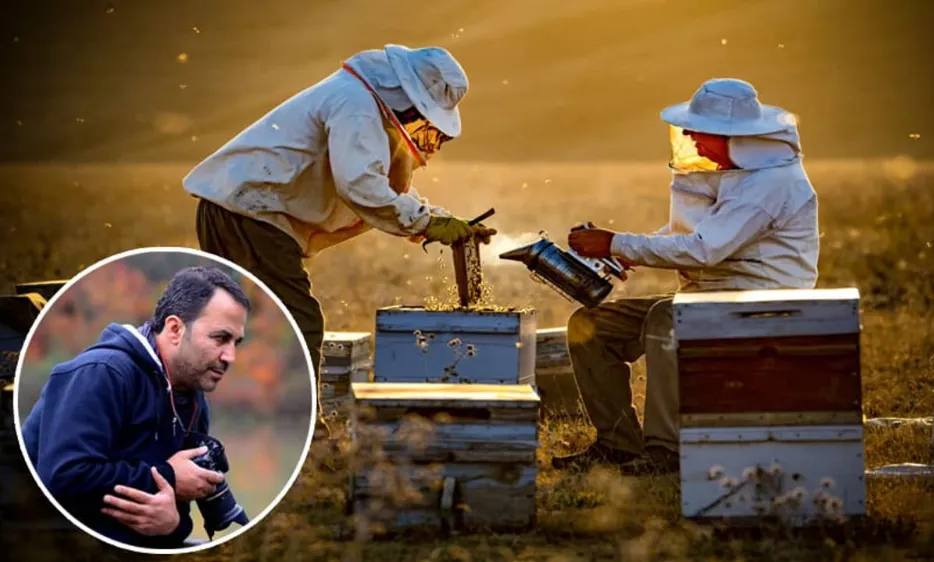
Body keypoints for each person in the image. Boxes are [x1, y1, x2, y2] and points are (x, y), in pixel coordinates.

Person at [552, 78, 821, 475]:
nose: (691, 138)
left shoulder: (772, 184)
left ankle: (667, 452)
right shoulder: (734, 173)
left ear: (734, 137)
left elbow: (703, 249)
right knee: (591, 326)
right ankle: (618, 444)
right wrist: (625, 257)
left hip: (763, 301)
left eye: (700, 132)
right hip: (710, 298)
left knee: (668, 318)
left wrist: (615, 244)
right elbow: (690, 233)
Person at [182, 44, 495, 382]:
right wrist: (428, 222)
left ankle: (247, 412)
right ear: (408, 98)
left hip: (249, 212)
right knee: (295, 321)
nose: (421, 124)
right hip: (249, 214)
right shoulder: (356, 106)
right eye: (423, 114)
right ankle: (300, 423)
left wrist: (436, 219)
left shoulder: (362, 103)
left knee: (254, 323)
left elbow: (383, 187)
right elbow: (361, 185)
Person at [21, 266, 252, 548]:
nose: (231, 356)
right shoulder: (103, 372)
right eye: (221, 338)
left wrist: (174, 523)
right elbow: (63, 476)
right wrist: (167, 477)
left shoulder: (192, 395)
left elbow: (170, 507)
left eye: (236, 343)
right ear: (175, 328)